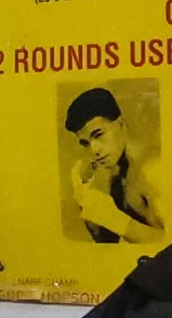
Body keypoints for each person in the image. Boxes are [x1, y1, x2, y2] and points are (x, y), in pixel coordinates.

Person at [65, 86, 163, 243]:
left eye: (98, 135)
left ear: (120, 124)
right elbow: (107, 242)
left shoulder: (154, 170)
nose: (94, 149)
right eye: (85, 143)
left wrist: (114, 219)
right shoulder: (115, 173)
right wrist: (86, 205)